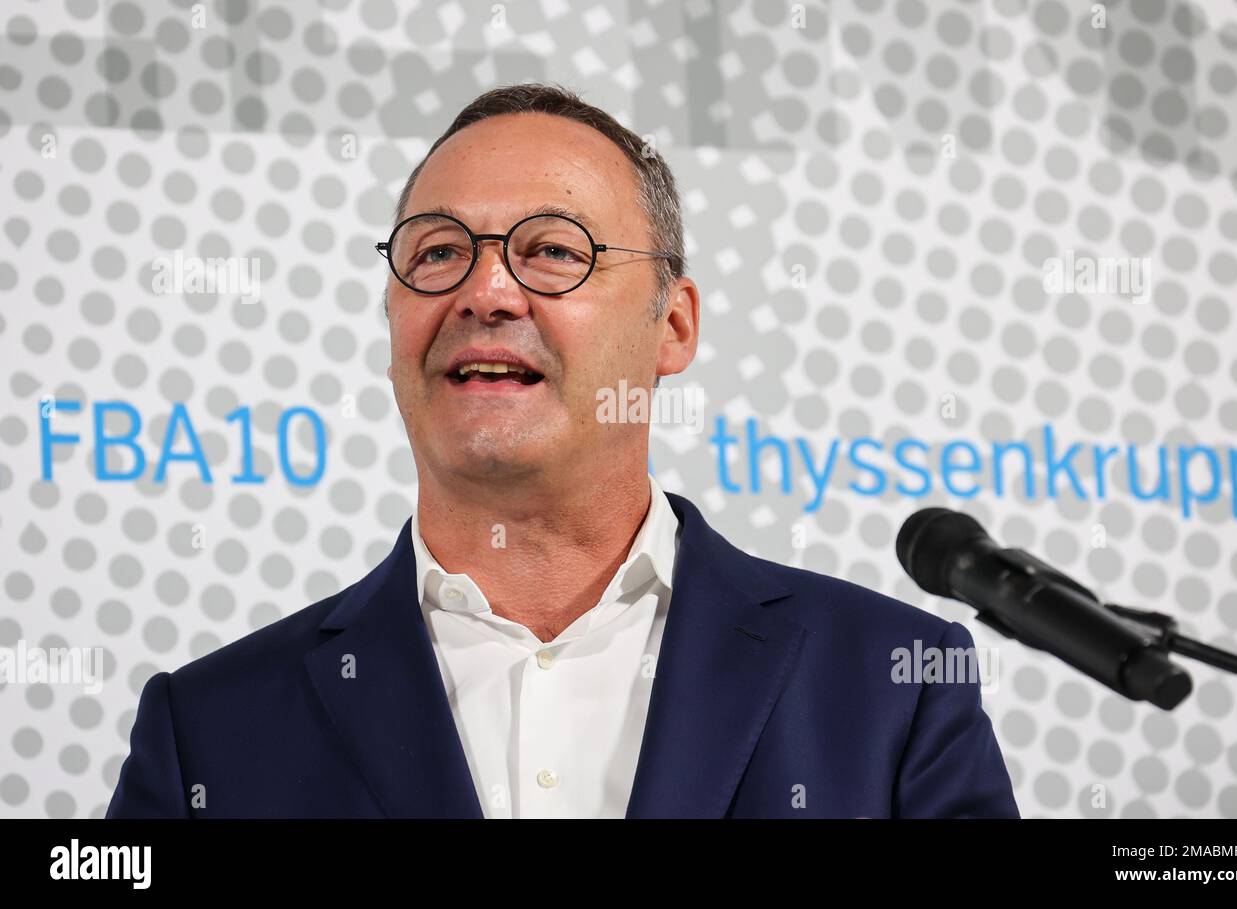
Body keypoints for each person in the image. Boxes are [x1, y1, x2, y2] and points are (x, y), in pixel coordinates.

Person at [107, 83, 1018, 819]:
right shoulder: (211, 730)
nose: (486, 291)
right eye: (436, 253)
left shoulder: (893, 685)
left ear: (673, 325)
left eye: (552, 250)